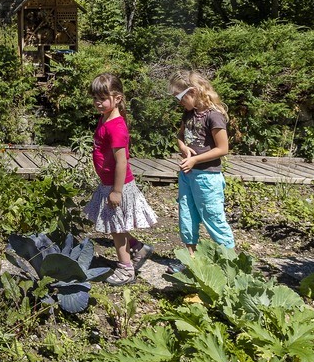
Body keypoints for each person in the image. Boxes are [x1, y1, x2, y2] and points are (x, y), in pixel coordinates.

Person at [82, 73, 158, 285]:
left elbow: (122, 161)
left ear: (117, 98)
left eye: (102, 98)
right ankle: (139, 248)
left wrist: (116, 191)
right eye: (95, 97)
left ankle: (126, 269)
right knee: (118, 223)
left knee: (116, 229)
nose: (97, 102)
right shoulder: (105, 117)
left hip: (118, 185)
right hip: (109, 183)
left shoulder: (116, 127)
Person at [171, 70, 235, 253]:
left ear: (193, 92)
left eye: (181, 98)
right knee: (187, 216)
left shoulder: (214, 116)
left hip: (207, 177)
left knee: (213, 217)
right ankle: (191, 260)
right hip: (187, 175)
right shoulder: (188, 114)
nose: (179, 102)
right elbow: (181, 135)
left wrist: (195, 160)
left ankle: (230, 261)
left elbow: (223, 148)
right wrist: (183, 147)